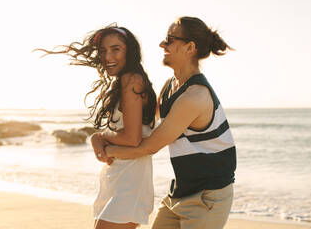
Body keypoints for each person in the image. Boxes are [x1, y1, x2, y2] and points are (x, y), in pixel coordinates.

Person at [103, 16, 237, 229]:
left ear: (189, 47)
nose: (162, 44)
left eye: (169, 39)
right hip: (181, 192)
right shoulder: (170, 87)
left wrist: (106, 150)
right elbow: (146, 125)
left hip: (208, 197)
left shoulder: (195, 96)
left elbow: (149, 146)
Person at [36, 25, 157, 229]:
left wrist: (101, 139)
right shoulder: (123, 82)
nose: (107, 56)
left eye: (115, 49)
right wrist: (97, 138)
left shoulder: (132, 81)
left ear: (130, 50)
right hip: (118, 176)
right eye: (103, 51)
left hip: (130, 182)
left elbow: (132, 138)